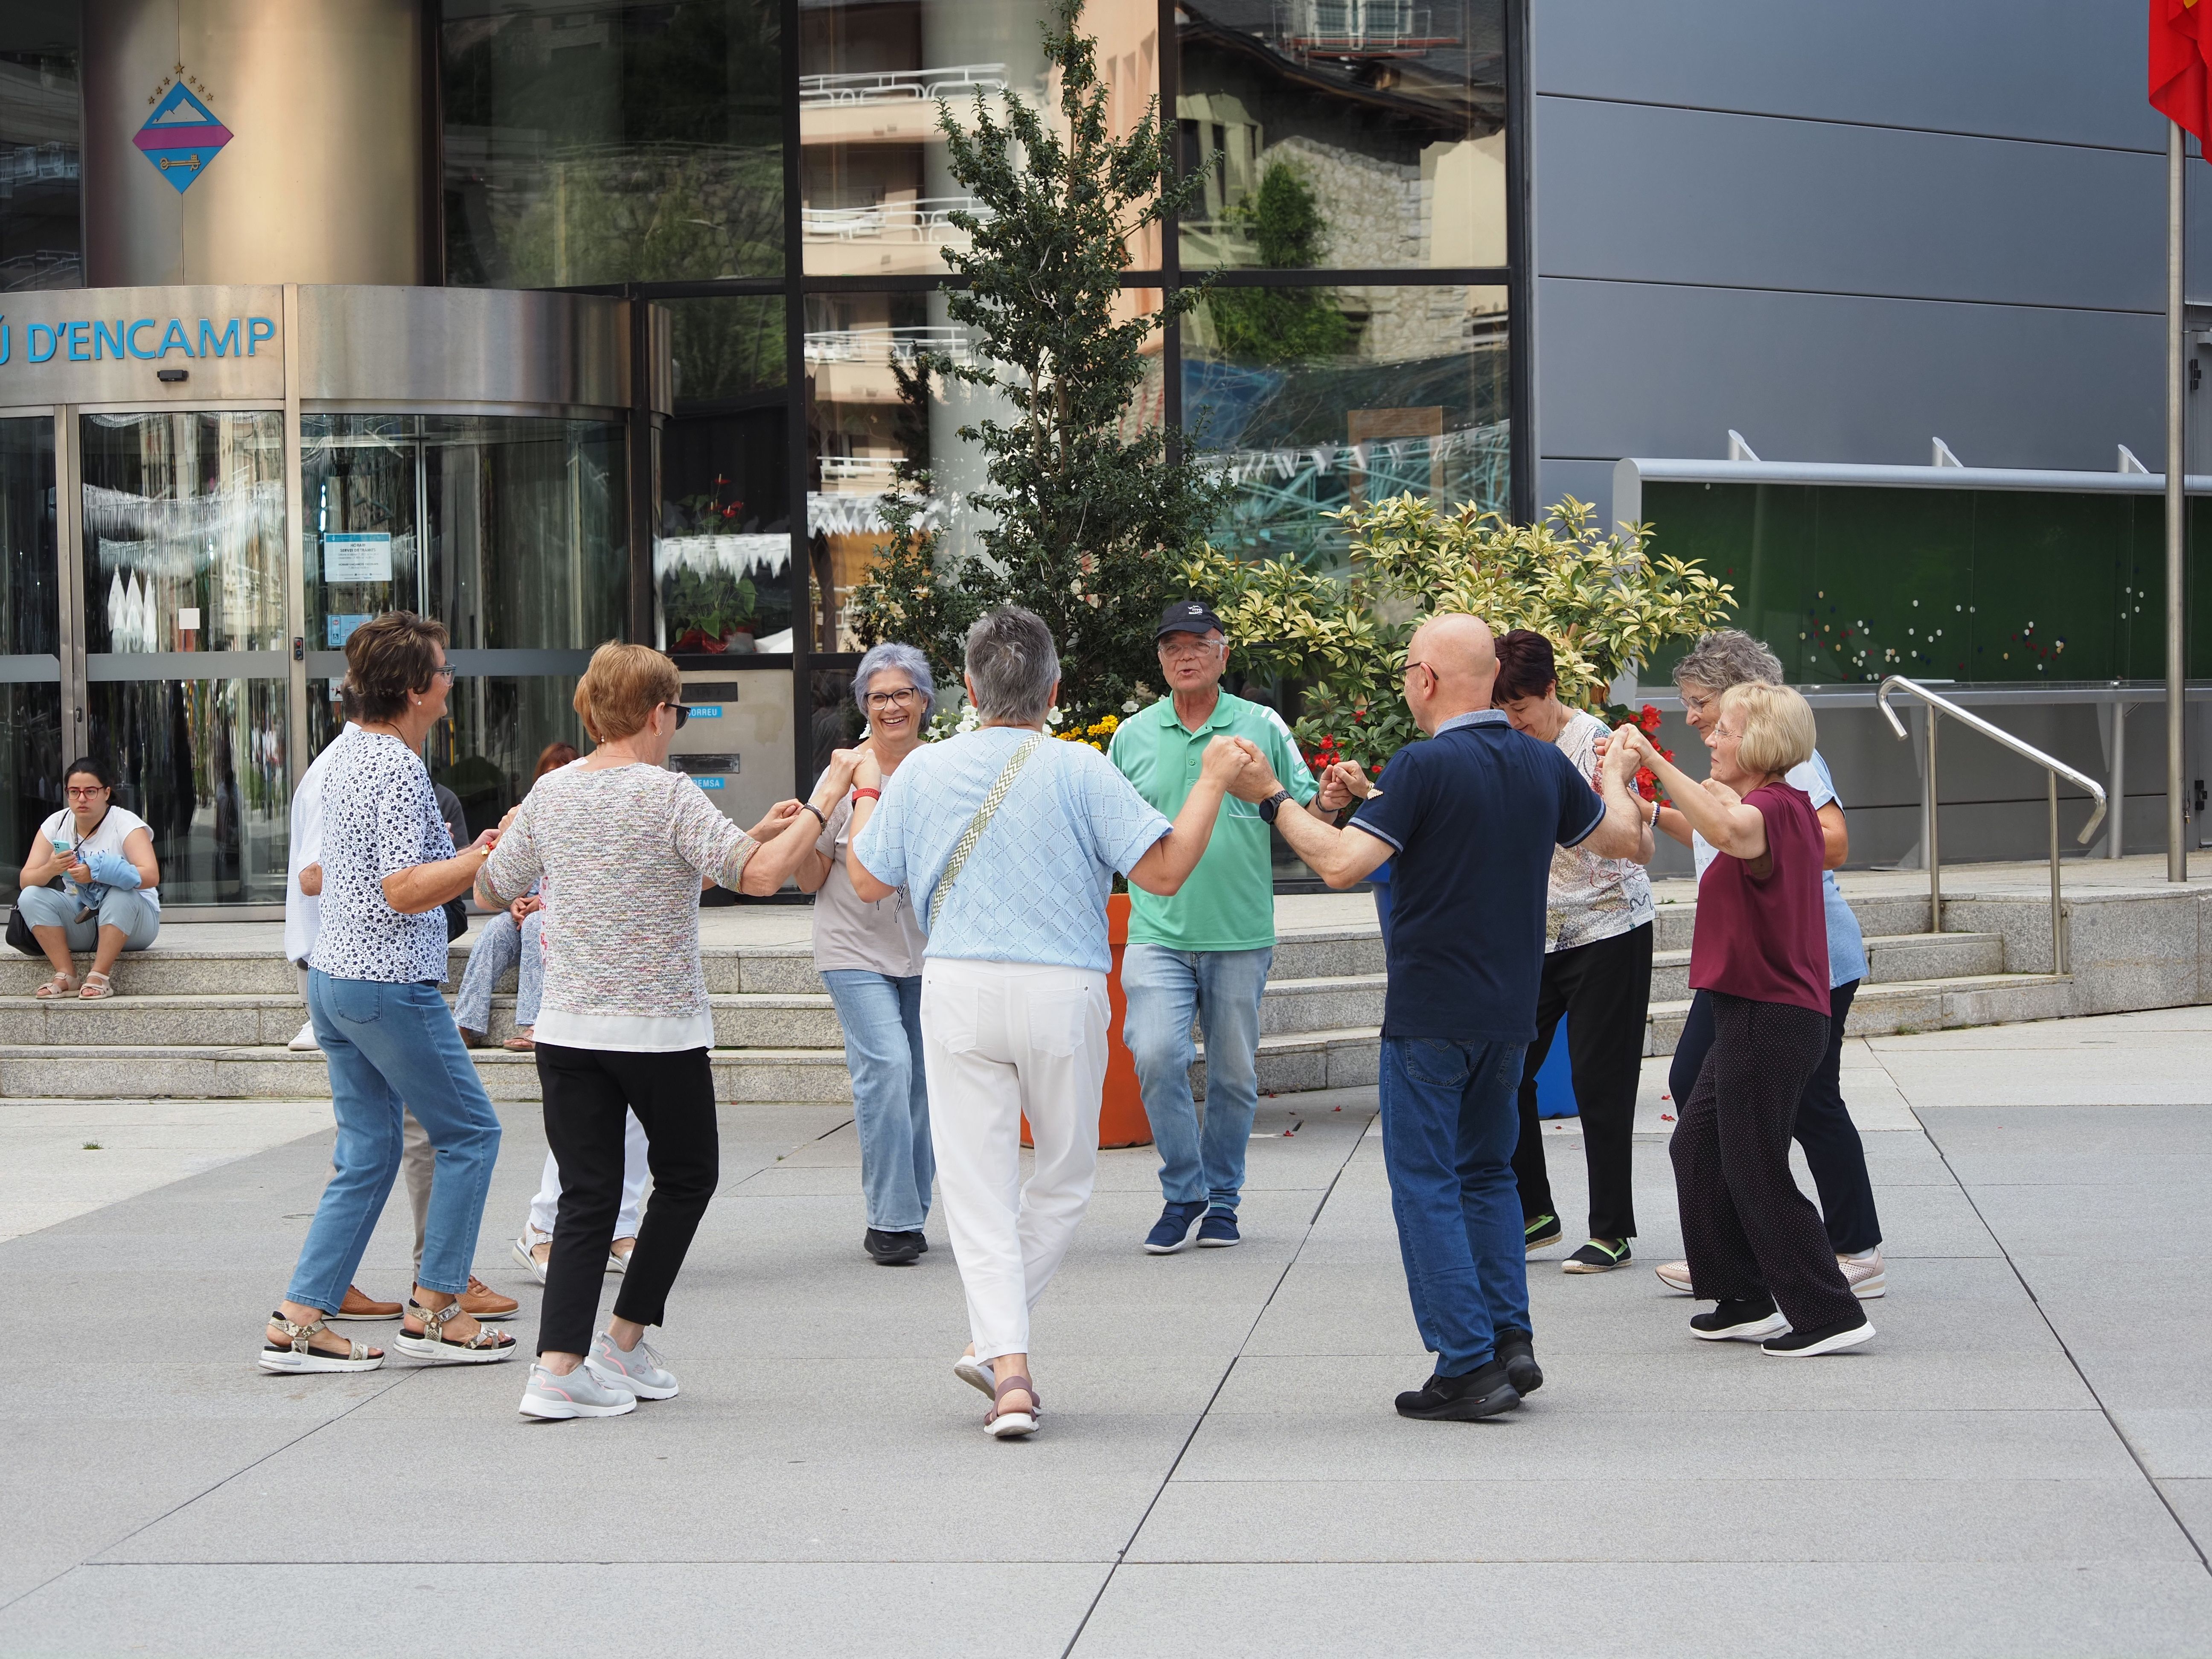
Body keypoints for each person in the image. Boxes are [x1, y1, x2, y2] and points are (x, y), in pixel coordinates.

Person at [1222, 613, 1653, 1421]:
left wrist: (1272, 796)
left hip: (1430, 1012)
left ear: (1424, 678)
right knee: (1487, 1173)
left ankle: (1465, 1363)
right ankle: (1508, 1341)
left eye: (1405, 671)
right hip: (1506, 1010)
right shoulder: (1538, 761)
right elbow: (1626, 839)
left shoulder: (1423, 765)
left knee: (1425, 1183)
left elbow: (1343, 865)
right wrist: (1619, 774)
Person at [848, 605, 1250, 1440]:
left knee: (975, 1185)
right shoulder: (1079, 770)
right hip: (1062, 989)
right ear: (1054, 689)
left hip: (958, 983)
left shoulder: (921, 773)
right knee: (1061, 1178)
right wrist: (1210, 782)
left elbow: (866, 881)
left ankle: (1008, 1366)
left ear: (965, 689)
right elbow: (1165, 873)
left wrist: (862, 791)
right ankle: (1006, 1360)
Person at [478, 642, 825, 1420]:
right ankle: (624, 1340)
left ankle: (556, 1367)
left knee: (585, 1195)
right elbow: (759, 876)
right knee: (687, 1177)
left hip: (567, 1026)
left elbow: (490, 885)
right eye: (677, 709)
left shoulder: (552, 791)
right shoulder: (668, 793)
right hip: (656, 1028)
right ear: (656, 711)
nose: (676, 722)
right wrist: (824, 804)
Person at [259, 611, 516, 1375]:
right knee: (472, 1132)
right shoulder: (398, 767)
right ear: (414, 688)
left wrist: (481, 855)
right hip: (386, 982)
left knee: (367, 1151)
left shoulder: (342, 756)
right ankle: (436, 1307)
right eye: (444, 672)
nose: (450, 684)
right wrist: (483, 853)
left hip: (335, 982)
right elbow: (405, 889)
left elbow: (400, 872)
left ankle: (299, 1319)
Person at [1613, 685, 1875, 1356]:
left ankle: (1830, 1312)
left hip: (1774, 1013)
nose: (1710, 739)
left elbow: (1730, 830)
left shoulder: (1773, 810)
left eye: (1722, 731)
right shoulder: (1768, 805)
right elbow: (1715, 822)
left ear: (1756, 742)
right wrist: (1647, 804)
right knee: (1696, 1147)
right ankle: (1744, 1296)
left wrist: (1647, 758)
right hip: (1750, 1009)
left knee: (1755, 1166)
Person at [1108, 600, 1318, 1253]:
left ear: (1224, 653)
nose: (1185, 655)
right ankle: (1183, 1194)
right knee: (1155, 1054)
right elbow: (1107, 832)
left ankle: (1223, 1200)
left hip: (1239, 931)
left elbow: (1306, 812)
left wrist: (1334, 801)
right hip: (1156, 931)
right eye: (1172, 646)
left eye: (1199, 643)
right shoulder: (1132, 736)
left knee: (1232, 1074)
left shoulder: (1260, 726)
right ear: (1161, 660)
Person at [1491, 629, 1658, 1275]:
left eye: (1523, 710)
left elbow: (1639, 842)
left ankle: (1612, 1230)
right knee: (1505, 1073)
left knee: (1601, 1082)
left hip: (1609, 929)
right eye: (1503, 711)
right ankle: (1535, 1212)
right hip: (1532, 936)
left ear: (1551, 690)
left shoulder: (1597, 746)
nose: (1514, 723)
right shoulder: (1501, 744)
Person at [788, 643, 937, 1266]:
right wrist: (801, 830)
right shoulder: (844, 771)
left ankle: (912, 1206)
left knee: (925, 1081)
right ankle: (892, 1222)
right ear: (863, 707)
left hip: (930, 954)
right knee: (888, 1069)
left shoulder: (943, 769)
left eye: (903, 693)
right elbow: (812, 875)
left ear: (926, 701)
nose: (892, 706)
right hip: (852, 947)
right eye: (879, 696)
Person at [454, 742, 577, 1051]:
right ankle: (465, 1024)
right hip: (525, 914)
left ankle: (533, 1025)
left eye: (562, 773)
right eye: (548, 775)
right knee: (495, 930)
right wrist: (514, 901)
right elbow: (510, 876)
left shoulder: (581, 820)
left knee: (537, 926)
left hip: (564, 922)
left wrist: (542, 904)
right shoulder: (526, 819)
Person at [16, 757, 160, 1000]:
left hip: (135, 923)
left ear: (106, 793)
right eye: (74, 792)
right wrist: (51, 868)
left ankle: (99, 976)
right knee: (30, 895)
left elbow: (150, 875)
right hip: (82, 917)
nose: (82, 799)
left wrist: (97, 871)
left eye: (90, 792)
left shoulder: (124, 823)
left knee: (120, 891)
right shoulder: (56, 823)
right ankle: (66, 974)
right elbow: (25, 880)